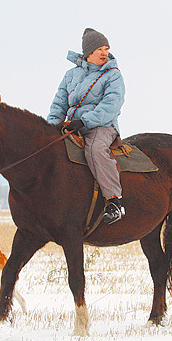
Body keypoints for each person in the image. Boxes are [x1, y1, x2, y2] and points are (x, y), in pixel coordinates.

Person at [47, 28, 126, 224]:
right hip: (72, 126)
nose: (104, 53)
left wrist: (84, 121)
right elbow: (59, 104)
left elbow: (111, 106)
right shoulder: (71, 75)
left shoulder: (113, 76)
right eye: (99, 48)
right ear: (88, 52)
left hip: (101, 126)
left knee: (95, 150)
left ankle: (113, 201)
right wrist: (50, 128)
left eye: (106, 48)